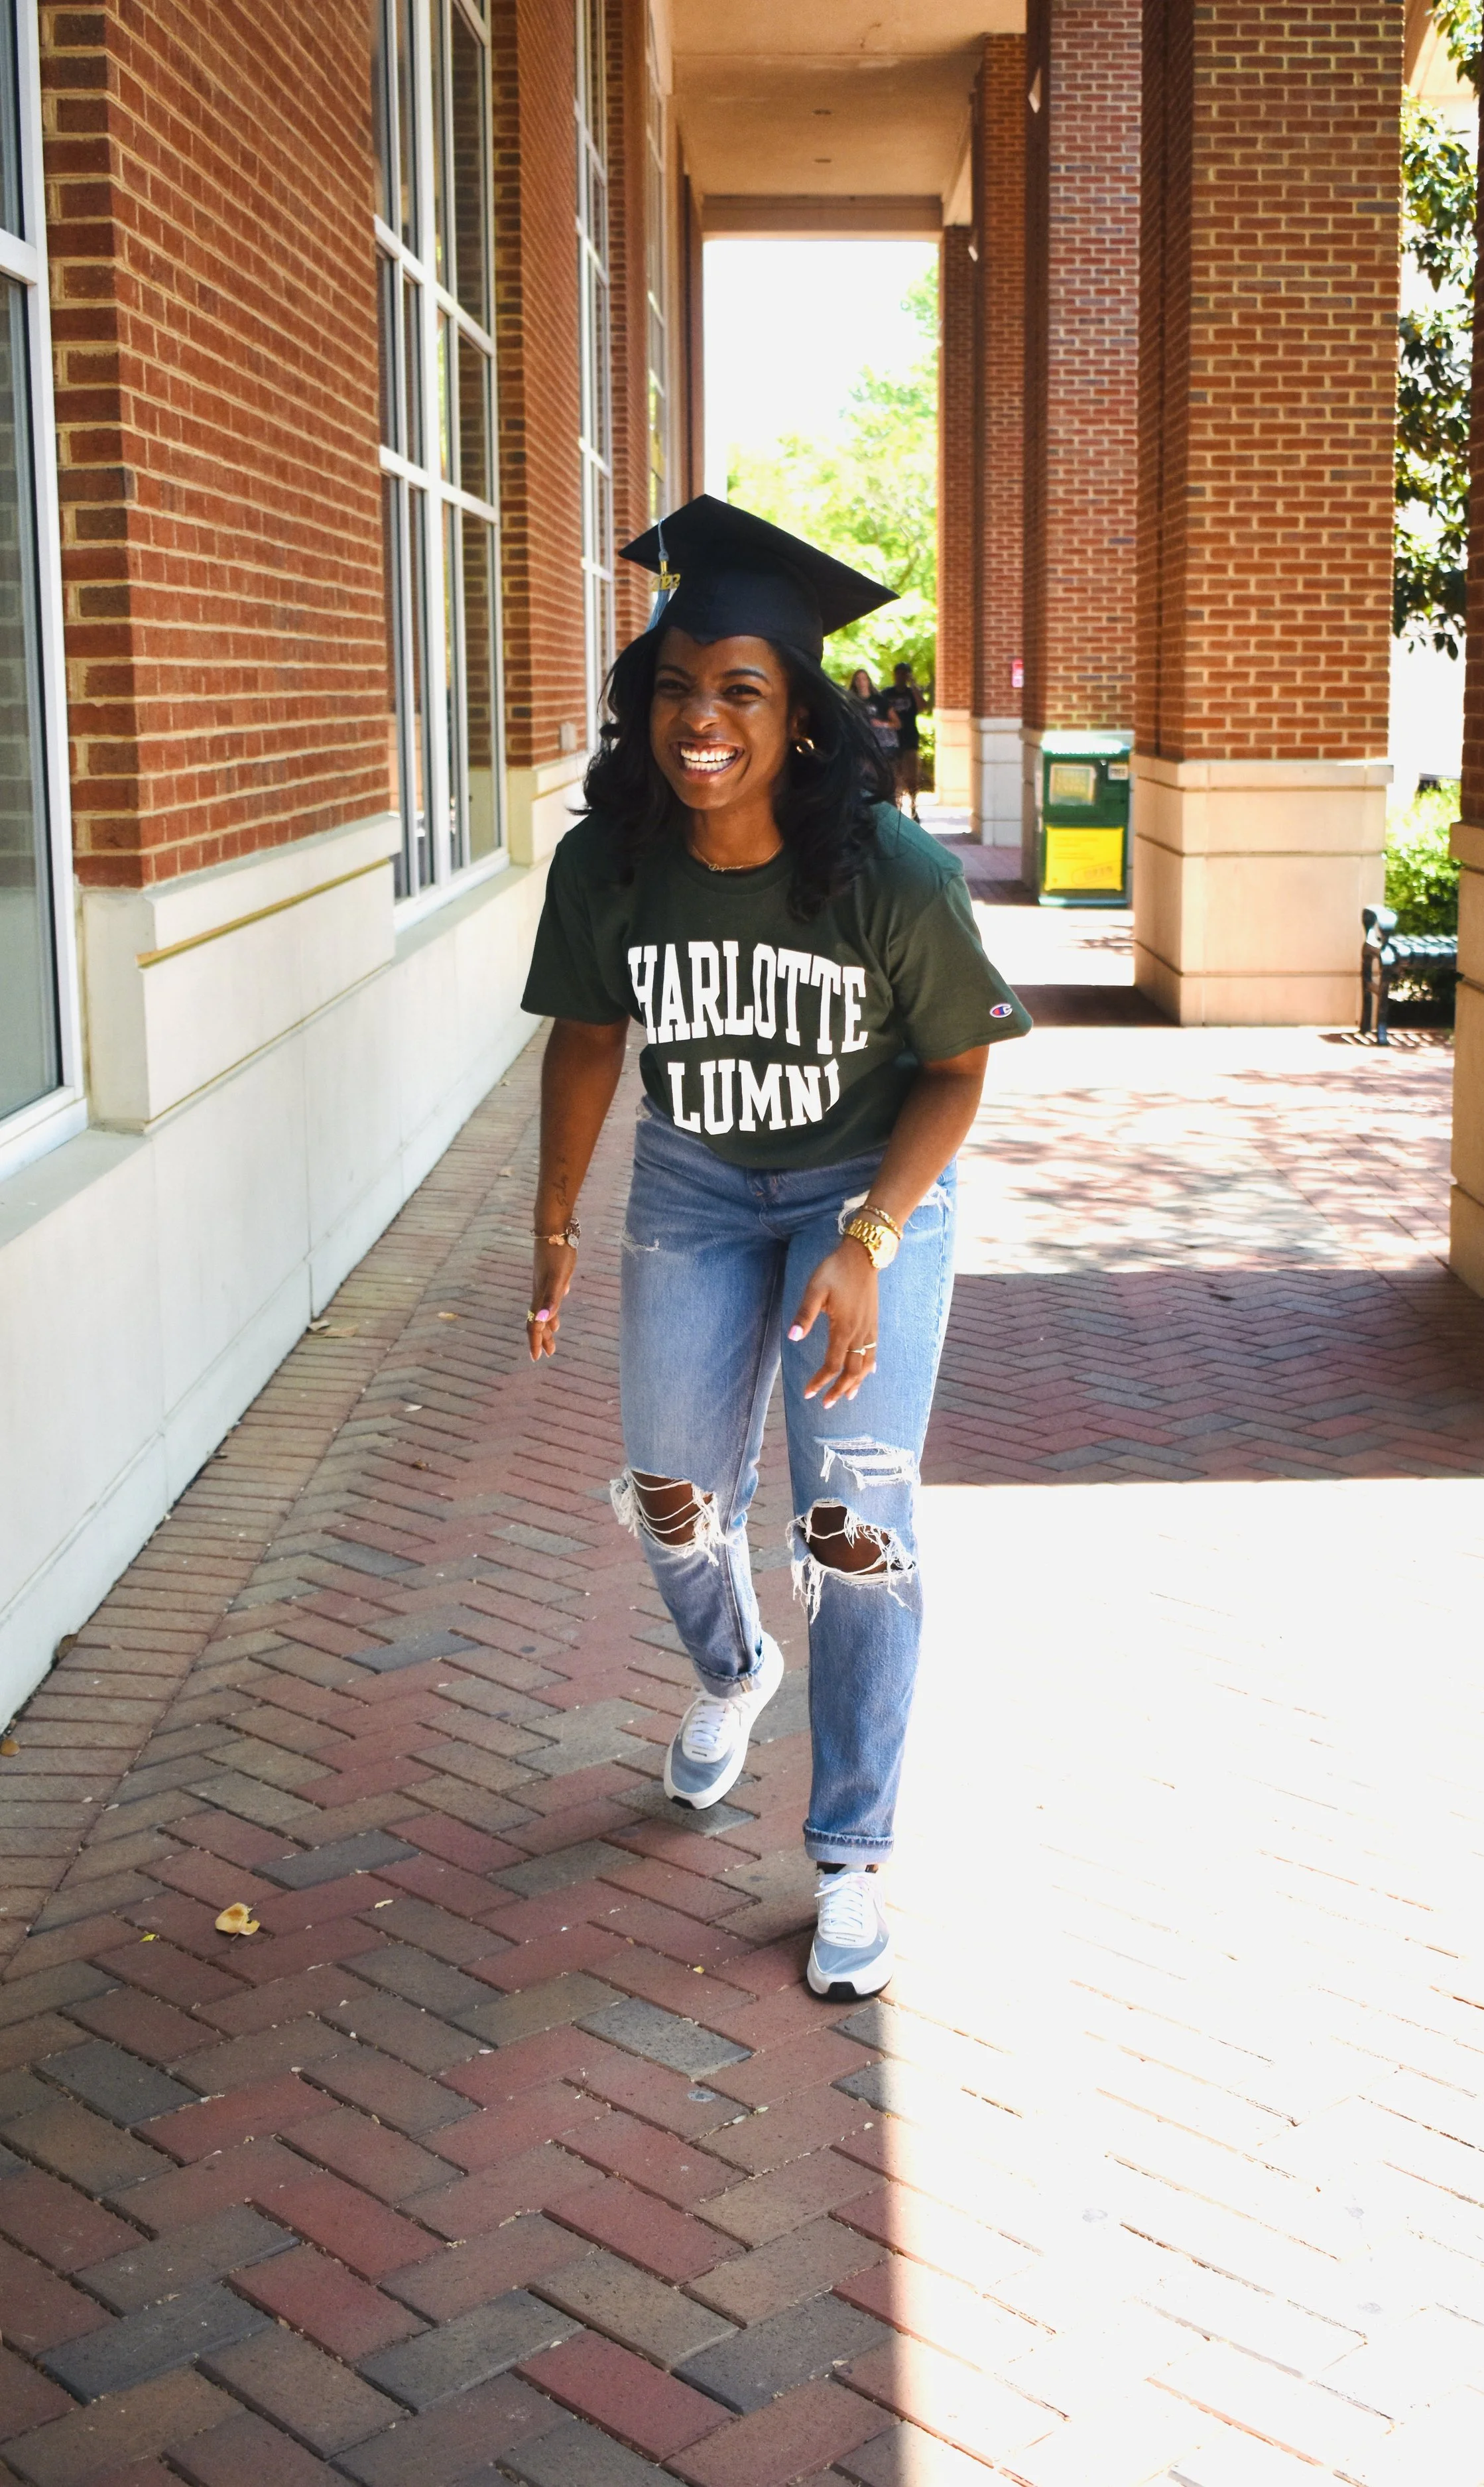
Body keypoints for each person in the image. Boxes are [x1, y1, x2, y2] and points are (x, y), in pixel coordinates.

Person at [520, 497, 1030, 2002]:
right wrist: (553, 1221)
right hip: (692, 1177)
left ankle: (854, 1850)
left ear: (798, 715)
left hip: (861, 1185)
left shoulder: (889, 872)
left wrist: (871, 1234)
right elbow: (588, 1035)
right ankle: (737, 1668)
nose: (701, 719)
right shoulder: (610, 864)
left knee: (852, 1523)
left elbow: (956, 1067)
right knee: (673, 1487)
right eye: (678, 685)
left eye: (739, 688)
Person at [877, 661, 930, 820]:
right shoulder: (887, 694)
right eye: (899, 673)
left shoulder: (912, 693)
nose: (901, 677)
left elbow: (923, 707)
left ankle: (914, 808)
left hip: (910, 740)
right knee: (894, 777)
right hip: (892, 741)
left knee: (912, 777)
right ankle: (896, 811)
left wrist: (914, 685)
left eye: (905, 674)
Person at [848, 665, 898, 763]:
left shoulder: (880, 700)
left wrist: (882, 724)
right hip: (864, 745)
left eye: (864, 679)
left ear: (868, 681)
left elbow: (897, 723)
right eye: (858, 680)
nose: (861, 683)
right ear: (854, 683)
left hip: (884, 745)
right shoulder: (852, 703)